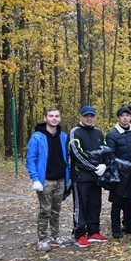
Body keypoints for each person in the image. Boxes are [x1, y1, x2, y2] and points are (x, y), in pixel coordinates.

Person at [26, 108, 72, 252]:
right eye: (51, 116)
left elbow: (68, 157)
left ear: (60, 118)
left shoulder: (63, 136)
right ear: (45, 118)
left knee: (56, 210)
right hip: (45, 181)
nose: (54, 118)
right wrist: (35, 179)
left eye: (56, 116)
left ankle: (56, 237)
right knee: (45, 211)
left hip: (60, 180)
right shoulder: (37, 137)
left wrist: (68, 177)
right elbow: (30, 159)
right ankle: (42, 239)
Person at [68, 105, 108, 248]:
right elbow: (76, 154)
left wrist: (104, 165)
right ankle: (79, 234)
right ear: (80, 116)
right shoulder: (75, 132)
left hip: (96, 178)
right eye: (86, 116)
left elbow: (105, 150)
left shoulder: (98, 132)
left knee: (95, 204)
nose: (89, 118)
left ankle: (93, 232)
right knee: (81, 206)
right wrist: (93, 168)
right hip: (81, 177)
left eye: (91, 116)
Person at [106, 107, 131, 238]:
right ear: (118, 118)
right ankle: (116, 229)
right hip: (119, 174)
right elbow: (110, 155)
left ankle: (129, 225)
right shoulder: (112, 134)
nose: (125, 118)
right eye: (122, 116)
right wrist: (123, 166)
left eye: (127, 115)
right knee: (117, 202)